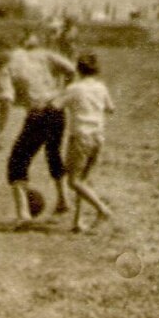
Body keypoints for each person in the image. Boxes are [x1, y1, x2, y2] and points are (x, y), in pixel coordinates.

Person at [0, 38, 77, 223]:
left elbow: (5, 101)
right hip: (57, 110)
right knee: (53, 153)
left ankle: (23, 214)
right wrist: (63, 92)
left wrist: (0, 131)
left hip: (38, 114)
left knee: (17, 161)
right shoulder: (41, 54)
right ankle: (63, 201)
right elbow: (70, 69)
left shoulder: (6, 68)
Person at [52, 51, 115, 233]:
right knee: (83, 180)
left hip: (81, 137)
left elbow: (56, 105)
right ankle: (78, 222)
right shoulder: (101, 87)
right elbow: (111, 108)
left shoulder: (75, 88)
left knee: (73, 181)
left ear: (78, 70)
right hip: (98, 137)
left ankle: (102, 210)